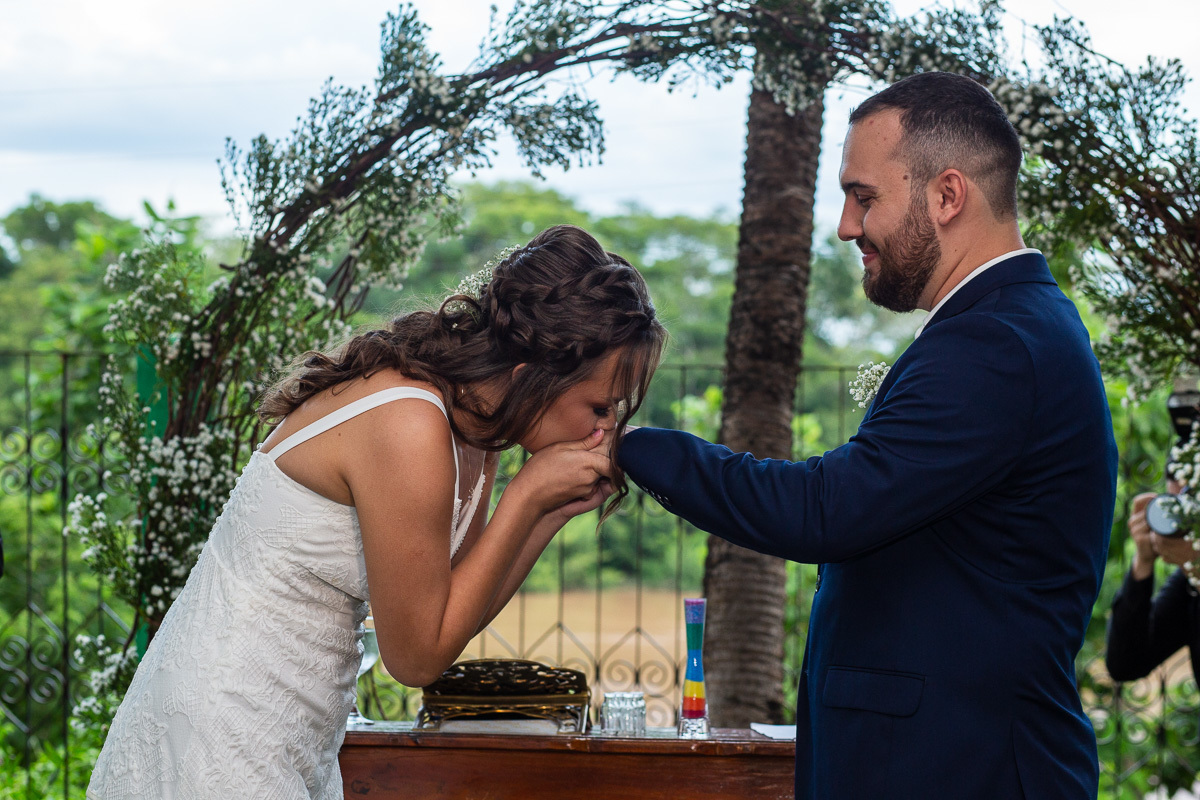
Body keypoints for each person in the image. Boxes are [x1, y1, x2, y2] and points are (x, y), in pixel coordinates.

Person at [617, 72, 1117, 798]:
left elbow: (824, 509)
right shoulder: (1007, 328)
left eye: (864, 197)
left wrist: (627, 444)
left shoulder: (997, 345)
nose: (847, 226)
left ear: (948, 196)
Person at [87, 224, 666, 799]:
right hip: (224, 724)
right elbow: (414, 659)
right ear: (532, 377)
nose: (606, 429)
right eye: (599, 406)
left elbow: (452, 616)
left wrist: (548, 512)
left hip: (292, 731)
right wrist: (525, 497)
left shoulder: (474, 428)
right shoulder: (410, 422)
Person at [1106, 462, 1200, 687]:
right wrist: (1143, 561)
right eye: (1175, 506)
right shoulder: (1189, 584)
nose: (1184, 522)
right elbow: (1125, 664)